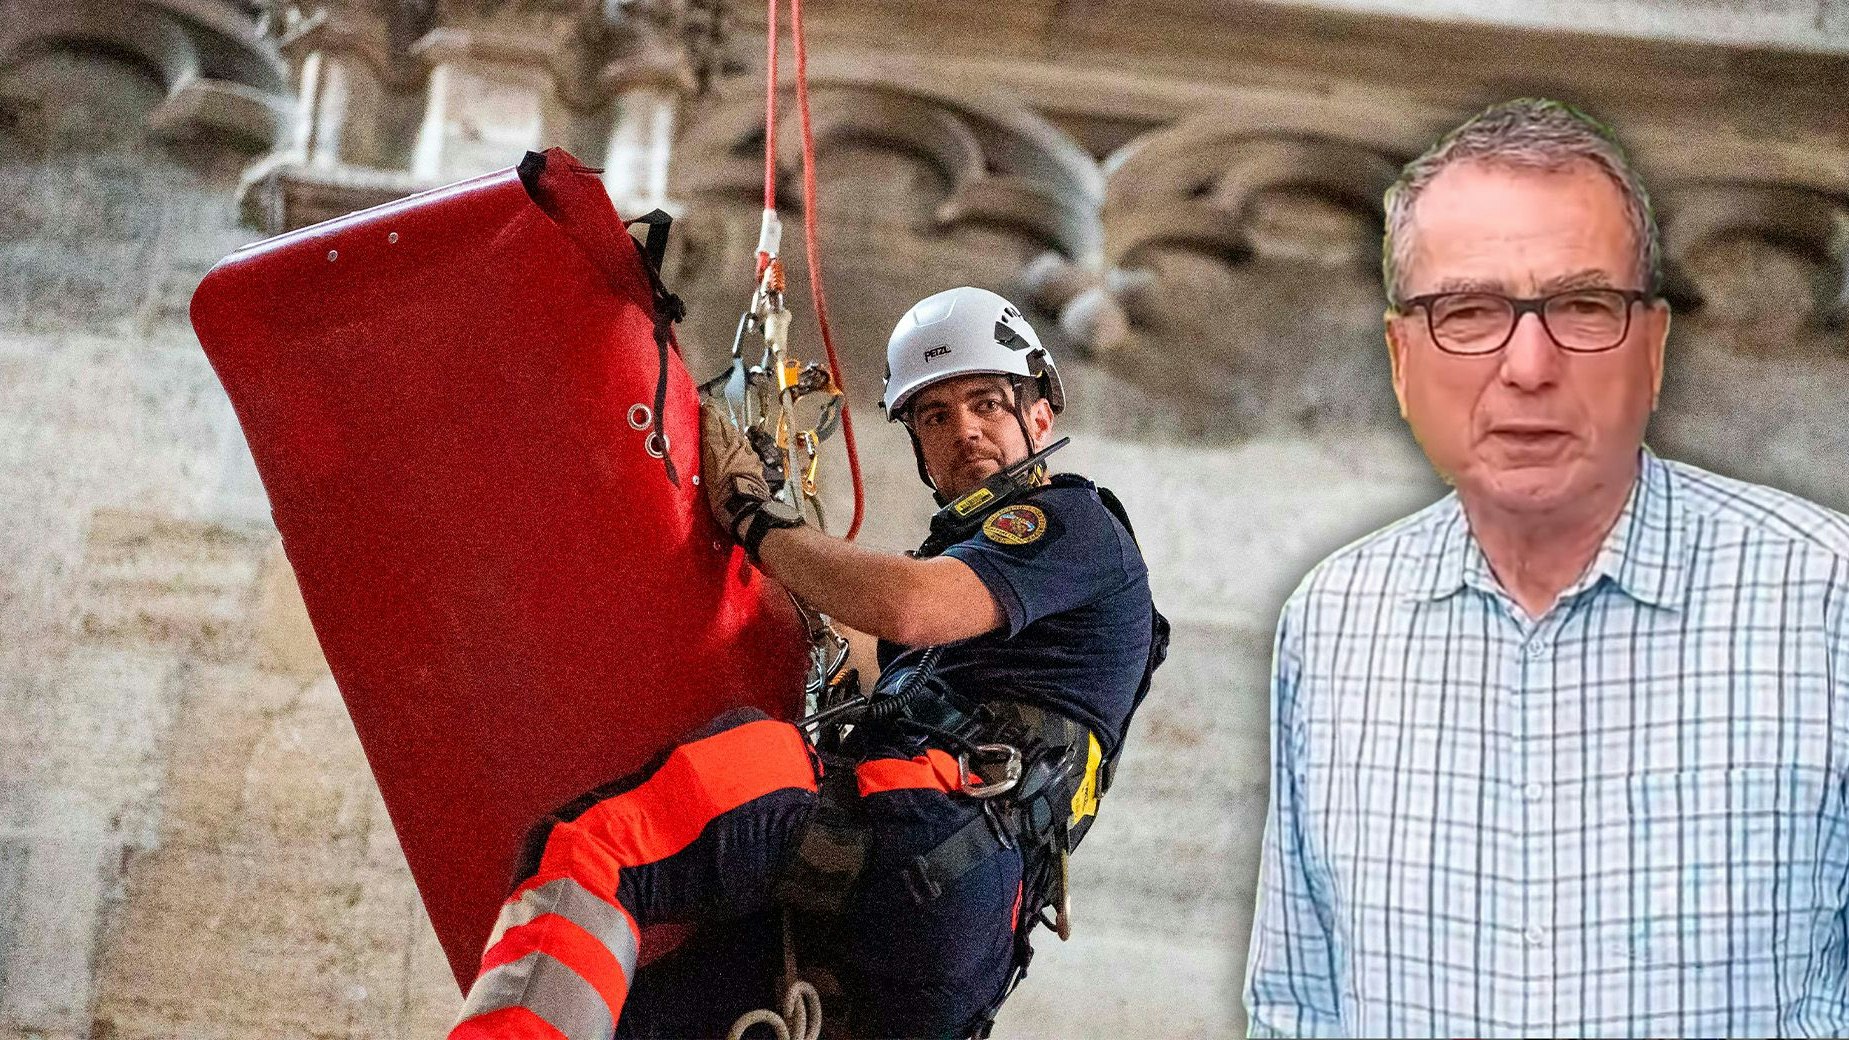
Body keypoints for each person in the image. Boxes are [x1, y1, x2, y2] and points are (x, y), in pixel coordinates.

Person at [1243, 98, 1849, 1037]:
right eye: (1469, 311)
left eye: (1581, 306)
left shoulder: (1826, 602)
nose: (1528, 364)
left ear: (1651, 348)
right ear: (1402, 361)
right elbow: (1299, 1005)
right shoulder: (1333, 620)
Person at [450, 286, 1165, 1040]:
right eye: (934, 416)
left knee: (597, 845)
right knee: (645, 1020)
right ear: (917, 442)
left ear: (1040, 414)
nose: (965, 431)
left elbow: (909, 606)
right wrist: (770, 548)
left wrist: (759, 522)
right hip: (945, 939)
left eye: (988, 403)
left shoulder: (1069, 525)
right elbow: (847, 645)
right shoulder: (976, 588)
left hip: (921, 827)